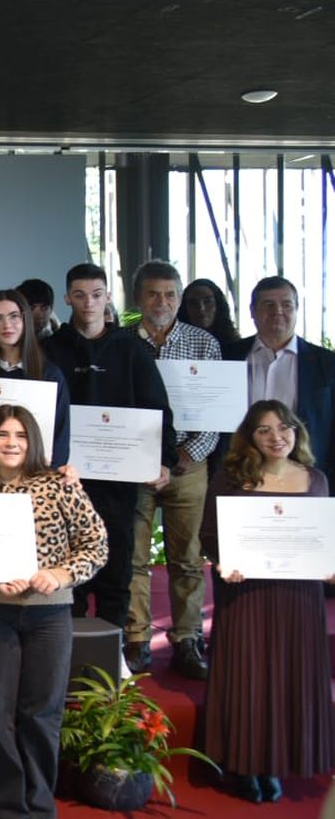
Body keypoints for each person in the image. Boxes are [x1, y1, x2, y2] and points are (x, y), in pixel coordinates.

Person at [0, 406, 107, 819]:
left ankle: (40, 806)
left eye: (20, 434)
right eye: (2, 434)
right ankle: (4, 806)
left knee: (41, 713)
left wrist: (59, 575)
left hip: (49, 613)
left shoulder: (59, 484)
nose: (11, 442)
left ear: (33, 440)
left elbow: (95, 543)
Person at [199, 401, 333, 802]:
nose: (277, 437)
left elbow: (324, 538)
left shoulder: (316, 479)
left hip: (298, 597)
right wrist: (225, 562)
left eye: (284, 427)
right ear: (249, 437)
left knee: (289, 672)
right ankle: (242, 764)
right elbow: (208, 535)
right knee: (249, 675)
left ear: (297, 432)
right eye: (264, 430)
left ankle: (276, 763)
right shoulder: (230, 477)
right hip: (246, 594)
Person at [42, 263, 176, 639]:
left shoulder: (131, 349)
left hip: (118, 481)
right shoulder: (49, 350)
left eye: (97, 294)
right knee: (70, 577)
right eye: (80, 295)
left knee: (117, 570)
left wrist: (164, 459)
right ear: (67, 297)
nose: (89, 303)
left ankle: (117, 657)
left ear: (107, 297)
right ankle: (69, 661)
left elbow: (158, 407)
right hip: (64, 482)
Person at [124, 261, 221, 679]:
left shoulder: (203, 344)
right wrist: (140, 456)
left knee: (186, 559)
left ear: (179, 298)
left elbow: (218, 412)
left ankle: (186, 640)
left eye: (169, 294)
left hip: (188, 464)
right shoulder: (122, 343)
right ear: (137, 299)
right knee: (134, 558)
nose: (162, 302)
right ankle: (137, 639)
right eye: (153, 294)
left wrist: (187, 453)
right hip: (136, 467)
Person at [223, 276, 335, 478]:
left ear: (297, 309)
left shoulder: (327, 364)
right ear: (252, 311)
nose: (278, 311)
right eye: (268, 305)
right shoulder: (227, 356)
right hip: (240, 469)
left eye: (286, 304)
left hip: (307, 472)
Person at [0, 290, 72, 467]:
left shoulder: (50, 375)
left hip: (35, 477)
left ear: (25, 320)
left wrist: (45, 478)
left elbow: (60, 438)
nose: (6, 324)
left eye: (14, 316)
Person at [178, 277, 240, 347]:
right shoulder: (177, 344)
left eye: (207, 302)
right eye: (193, 303)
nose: (201, 308)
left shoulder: (236, 346)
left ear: (218, 305)